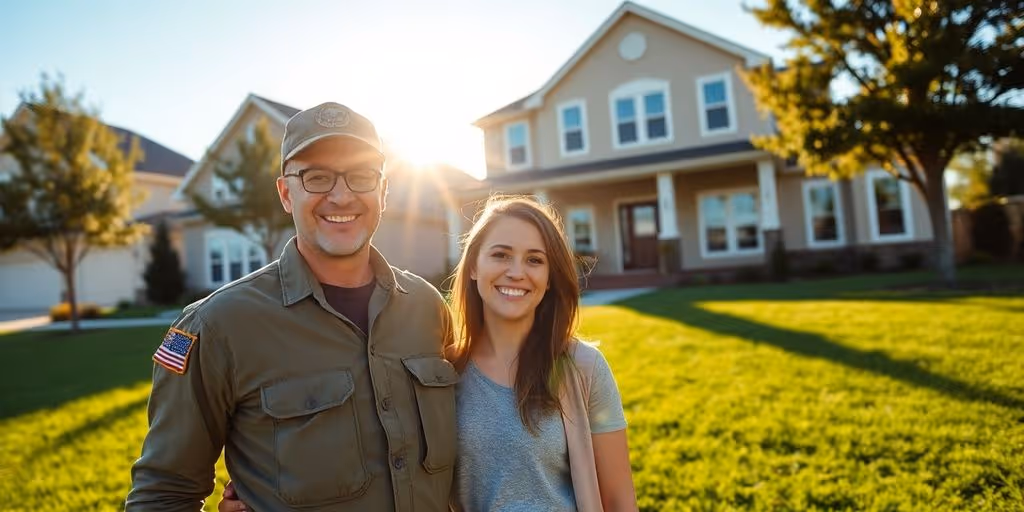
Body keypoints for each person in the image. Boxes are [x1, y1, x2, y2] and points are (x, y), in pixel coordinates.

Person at [125, 102, 458, 511]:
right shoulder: (215, 325)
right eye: (317, 177)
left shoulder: (427, 308)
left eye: (361, 176)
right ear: (286, 193)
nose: (342, 196)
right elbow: (163, 494)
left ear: (383, 192)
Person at [220, 195, 638, 512]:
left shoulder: (582, 369)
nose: (516, 272)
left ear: (549, 278)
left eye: (535, 260)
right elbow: (372, 451)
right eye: (500, 255)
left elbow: (619, 499)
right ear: (473, 267)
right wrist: (259, 495)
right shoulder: (440, 373)